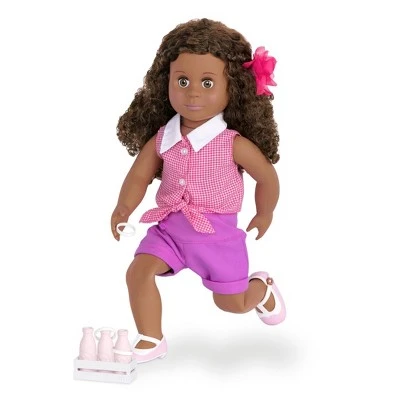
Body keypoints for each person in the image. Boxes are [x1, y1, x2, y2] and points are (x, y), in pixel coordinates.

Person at [111, 18, 286, 363]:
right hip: (170, 231)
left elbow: (266, 177)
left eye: (207, 82)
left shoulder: (232, 143)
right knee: (138, 271)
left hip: (217, 237)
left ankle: (261, 289)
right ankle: (151, 337)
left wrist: (264, 212)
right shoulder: (163, 137)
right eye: (182, 81)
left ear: (232, 87)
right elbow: (138, 176)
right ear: (165, 82)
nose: (193, 92)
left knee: (232, 303)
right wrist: (123, 208)